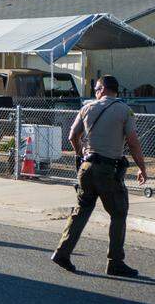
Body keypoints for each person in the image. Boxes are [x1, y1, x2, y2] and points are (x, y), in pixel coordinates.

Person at [51, 75, 147, 278]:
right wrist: (142, 168)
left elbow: (72, 136)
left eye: (96, 88)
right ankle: (115, 262)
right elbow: (133, 142)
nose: (95, 92)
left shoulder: (86, 108)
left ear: (103, 89)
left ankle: (62, 252)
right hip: (107, 169)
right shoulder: (124, 110)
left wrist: (80, 154)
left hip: (86, 167)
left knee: (82, 209)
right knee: (118, 213)